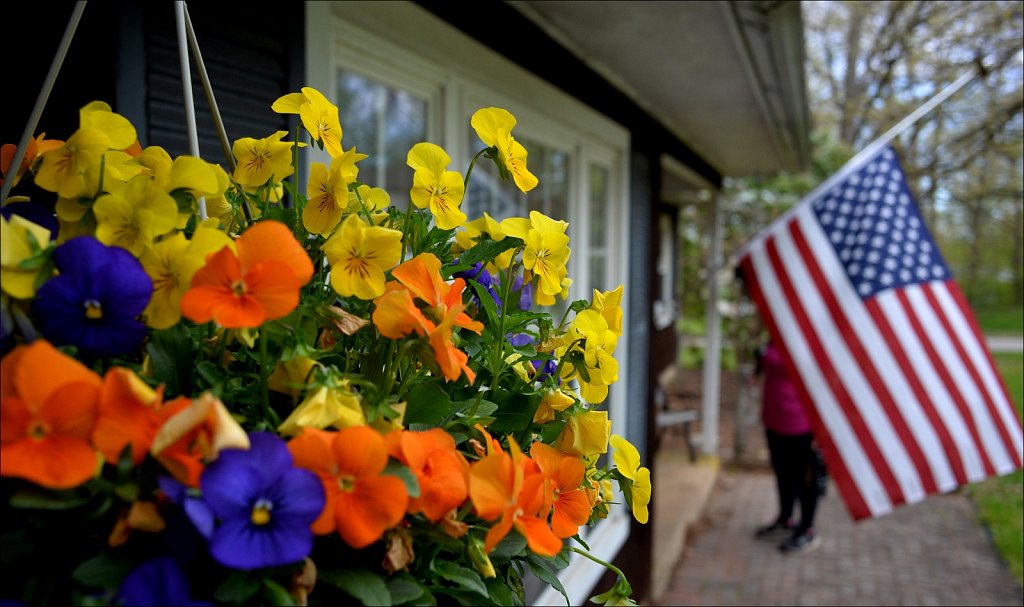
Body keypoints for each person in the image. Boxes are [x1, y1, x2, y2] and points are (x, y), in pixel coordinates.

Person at [752, 339, 822, 553]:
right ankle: (785, 518)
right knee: (783, 474)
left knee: (805, 480)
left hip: (801, 425)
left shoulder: (805, 337)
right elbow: (763, 363)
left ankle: (807, 529)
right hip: (774, 420)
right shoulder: (774, 335)